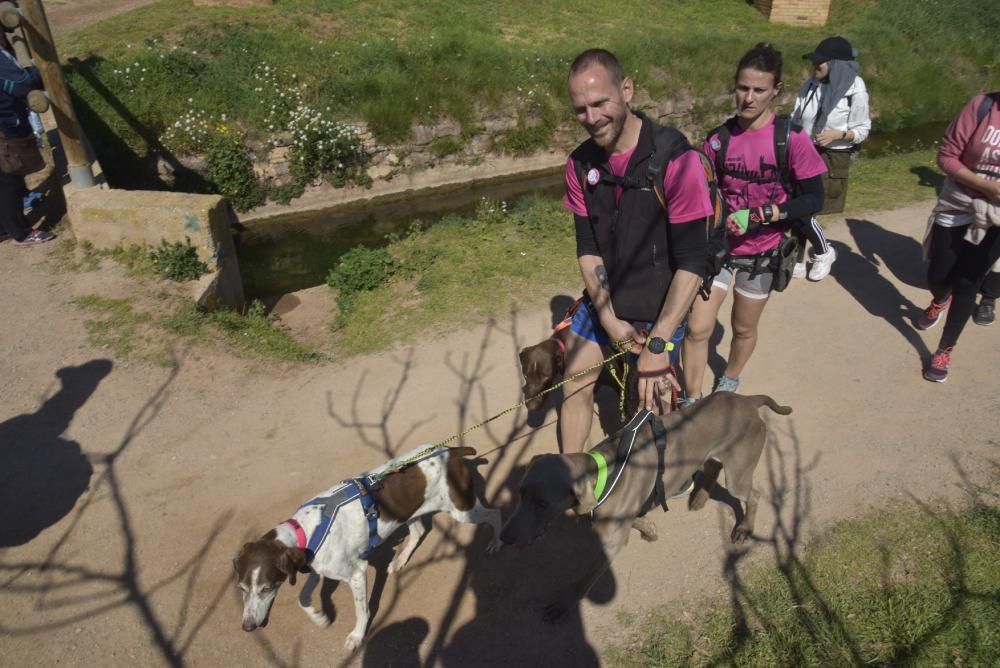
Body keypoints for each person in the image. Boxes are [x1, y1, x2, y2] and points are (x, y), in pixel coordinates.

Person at [559, 48, 713, 453]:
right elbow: (587, 248)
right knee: (575, 381)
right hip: (607, 303)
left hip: (659, 309)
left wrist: (659, 344)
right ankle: (568, 482)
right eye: (580, 110)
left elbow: (693, 261)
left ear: (626, 89)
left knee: (653, 403)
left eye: (600, 103)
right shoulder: (579, 165)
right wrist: (608, 320)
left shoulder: (675, 159)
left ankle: (661, 474)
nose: (591, 119)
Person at [681, 43, 826, 400]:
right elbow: (702, 194)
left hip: (764, 252)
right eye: (742, 88)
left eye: (759, 90)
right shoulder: (718, 141)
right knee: (698, 328)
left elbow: (814, 198)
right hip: (720, 251)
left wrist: (764, 214)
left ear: (775, 91)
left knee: (743, 328)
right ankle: (692, 400)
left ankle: (729, 378)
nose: (748, 98)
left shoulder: (791, 139)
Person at [916, 92, 1000, 382]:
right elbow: (947, 156)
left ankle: (944, 350)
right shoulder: (983, 106)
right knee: (939, 275)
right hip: (958, 202)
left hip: (996, 217)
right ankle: (940, 299)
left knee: (968, 283)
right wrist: (985, 186)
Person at [790, 36, 871, 280]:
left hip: (832, 156)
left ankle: (824, 252)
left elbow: (863, 129)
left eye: (820, 62)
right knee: (797, 206)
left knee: (807, 209)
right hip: (803, 153)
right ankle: (796, 260)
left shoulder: (855, 89)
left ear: (836, 64)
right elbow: (796, 116)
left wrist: (840, 134)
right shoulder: (811, 84)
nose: (815, 66)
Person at [0, 31, 51, 246]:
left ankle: (4, 226)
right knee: (9, 178)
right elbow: (21, 84)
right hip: (4, 125)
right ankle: (20, 233)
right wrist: (34, 73)